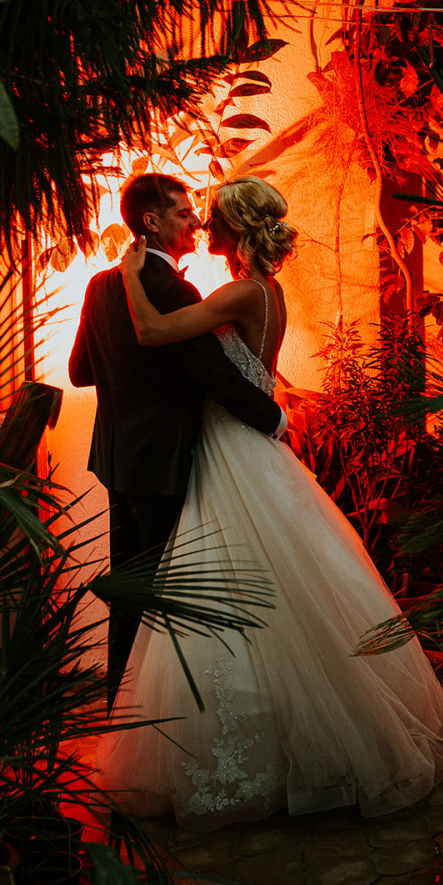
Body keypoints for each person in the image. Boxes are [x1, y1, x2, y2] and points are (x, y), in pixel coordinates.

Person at [95, 175, 443, 830]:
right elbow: (234, 369)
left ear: (238, 228)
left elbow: (152, 334)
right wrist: (276, 415)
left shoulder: (233, 291)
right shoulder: (269, 291)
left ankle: (248, 745)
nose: (203, 228)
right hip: (237, 444)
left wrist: (125, 270)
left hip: (222, 448)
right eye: (192, 216)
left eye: (213, 220)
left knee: (225, 586)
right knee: (276, 583)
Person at [69, 173, 286, 710]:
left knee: (130, 591)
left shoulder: (100, 285)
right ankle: (169, 712)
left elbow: (78, 372)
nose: (194, 221)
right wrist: (275, 418)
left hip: (117, 460)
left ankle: (123, 707)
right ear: (153, 221)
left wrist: (130, 379)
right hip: (167, 462)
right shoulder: (177, 290)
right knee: (174, 596)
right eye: (184, 213)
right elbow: (215, 376)